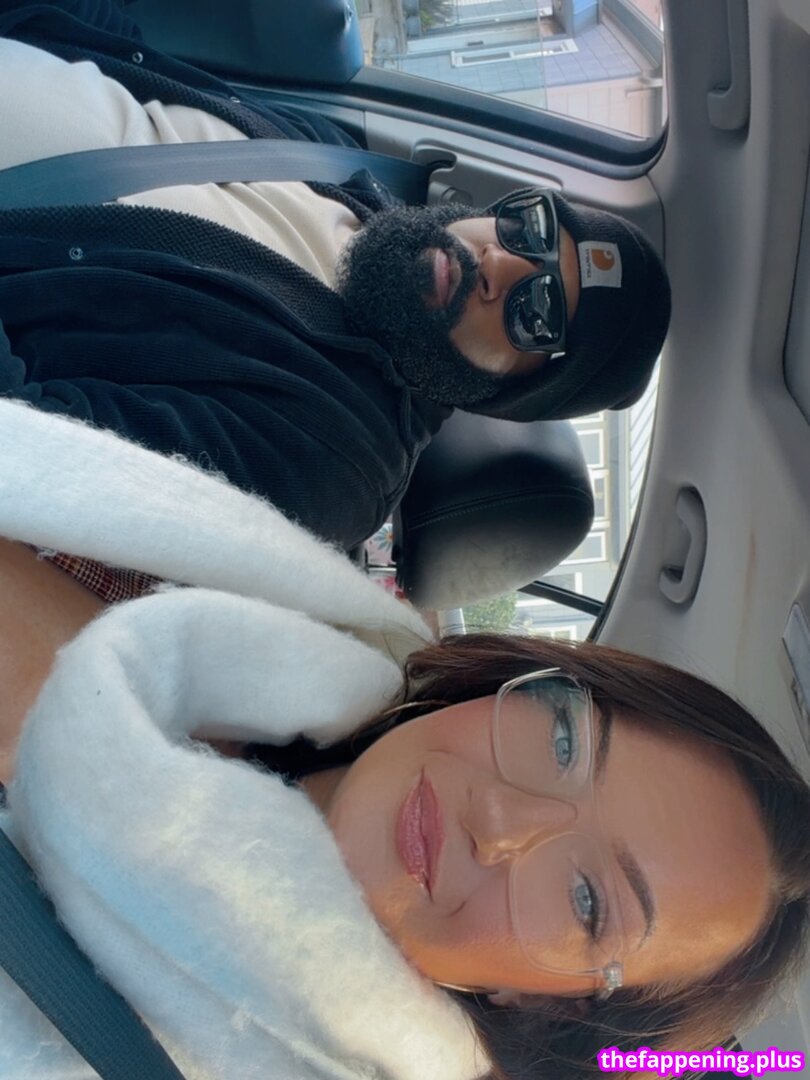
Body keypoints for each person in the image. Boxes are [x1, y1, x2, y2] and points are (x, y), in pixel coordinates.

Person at [0, 398, 808, 1080]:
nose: (499, 818)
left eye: (588, 901)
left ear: (540, 1005)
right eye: (565, 744)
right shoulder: (270, 587)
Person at [0, 1, 671, 549]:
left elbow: (39, 448)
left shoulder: (331, 463)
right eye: (532, 231)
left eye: (536, 310)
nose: (501, 263)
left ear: (513, 389)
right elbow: (122, 57)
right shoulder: (344, 162)